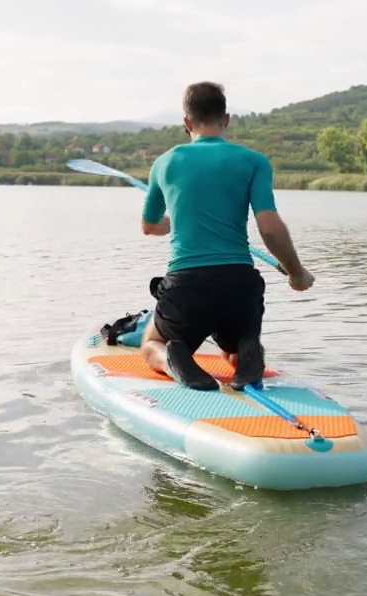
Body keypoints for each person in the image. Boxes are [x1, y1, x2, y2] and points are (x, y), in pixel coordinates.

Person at [138, 81, 315, 392]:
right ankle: (247, 349)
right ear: (226, 119)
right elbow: (270, 227)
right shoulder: (253, 161)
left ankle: (173, 358)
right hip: (239, 287)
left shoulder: (165, 162)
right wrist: (297, 273)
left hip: (187, 287)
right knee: (232, 345)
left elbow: (148, 226)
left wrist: (165, 224)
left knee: (152, 340)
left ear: (186, 122)